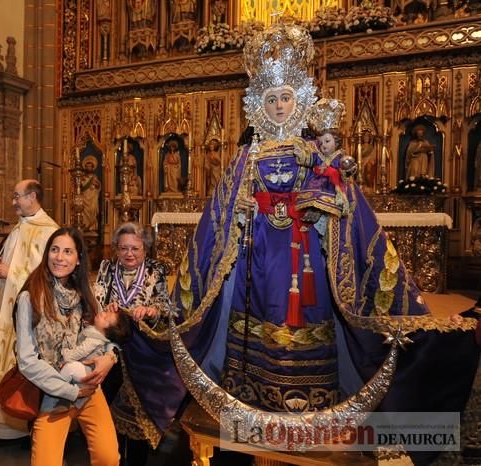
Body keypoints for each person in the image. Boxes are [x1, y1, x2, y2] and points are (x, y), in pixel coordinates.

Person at [166, 22, 479, 464]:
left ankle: (315, 402)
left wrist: (320, 206)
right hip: (257, 264)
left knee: (308, 320)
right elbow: (218, 217)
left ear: (300, 101)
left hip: (304, 259)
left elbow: (345, 205)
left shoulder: (315, 153)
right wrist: (244, 212)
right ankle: (253, 397)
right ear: (258, 103)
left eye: (286, 98)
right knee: (254, 323)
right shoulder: (246, 157)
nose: (278, 106)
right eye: (270, 99)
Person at [15, 227, 118, 466]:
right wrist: (70, 392)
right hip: (54, 390)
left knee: (108, 457)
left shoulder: (85, 293)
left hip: (89, 385)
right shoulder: (30, 298)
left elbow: (105, 334)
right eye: (55, 250)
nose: (59, 257)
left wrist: (109, 358)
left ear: (78, 259)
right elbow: (27, 361)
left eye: (68, 251)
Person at [0, 179, 58, 440]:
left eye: (16, 196)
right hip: (5, 307)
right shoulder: (19, 227)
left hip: (27, 314)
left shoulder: (48, 231)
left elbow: (48, 275)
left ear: (32, 196)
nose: (13, 202)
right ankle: (6, 423)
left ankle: (24, 425)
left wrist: (10, 272)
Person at [93, 222, 173, 462]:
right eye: (124, 248)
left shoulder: (156, 269)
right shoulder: (107, 268)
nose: (129, 253)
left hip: (142, 351)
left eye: (135, 249)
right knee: (107, 406)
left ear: (145, 249)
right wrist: (105, 306)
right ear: (116, 249)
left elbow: (168, 307)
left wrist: (150, 310)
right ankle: (111, 457)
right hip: (111, 349)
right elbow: (96, 297)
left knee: (138, 413)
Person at [56, 310, 131, 411]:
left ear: (107, 331)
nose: (102, 313)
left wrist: (64, 353)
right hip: (85, 372)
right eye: (105, 312)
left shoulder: (95, 340)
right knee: (70, 367)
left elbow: (79, 352)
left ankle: (60, 395)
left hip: (87, 374)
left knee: (70, 368)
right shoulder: (93, 331)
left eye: (105, 318)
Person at [80, 156, 102, 232]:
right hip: (85, 198)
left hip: (93, 198)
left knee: (93, 211)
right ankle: (85, 227)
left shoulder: (95, 177)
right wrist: (89, 182)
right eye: (87, 166)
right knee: (84, 212)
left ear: (93, 167)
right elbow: (82, 188)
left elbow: (99, 187)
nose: (89, 168)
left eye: (90, 166)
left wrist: (97, 184)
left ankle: (92, 228)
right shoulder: (83, 178)